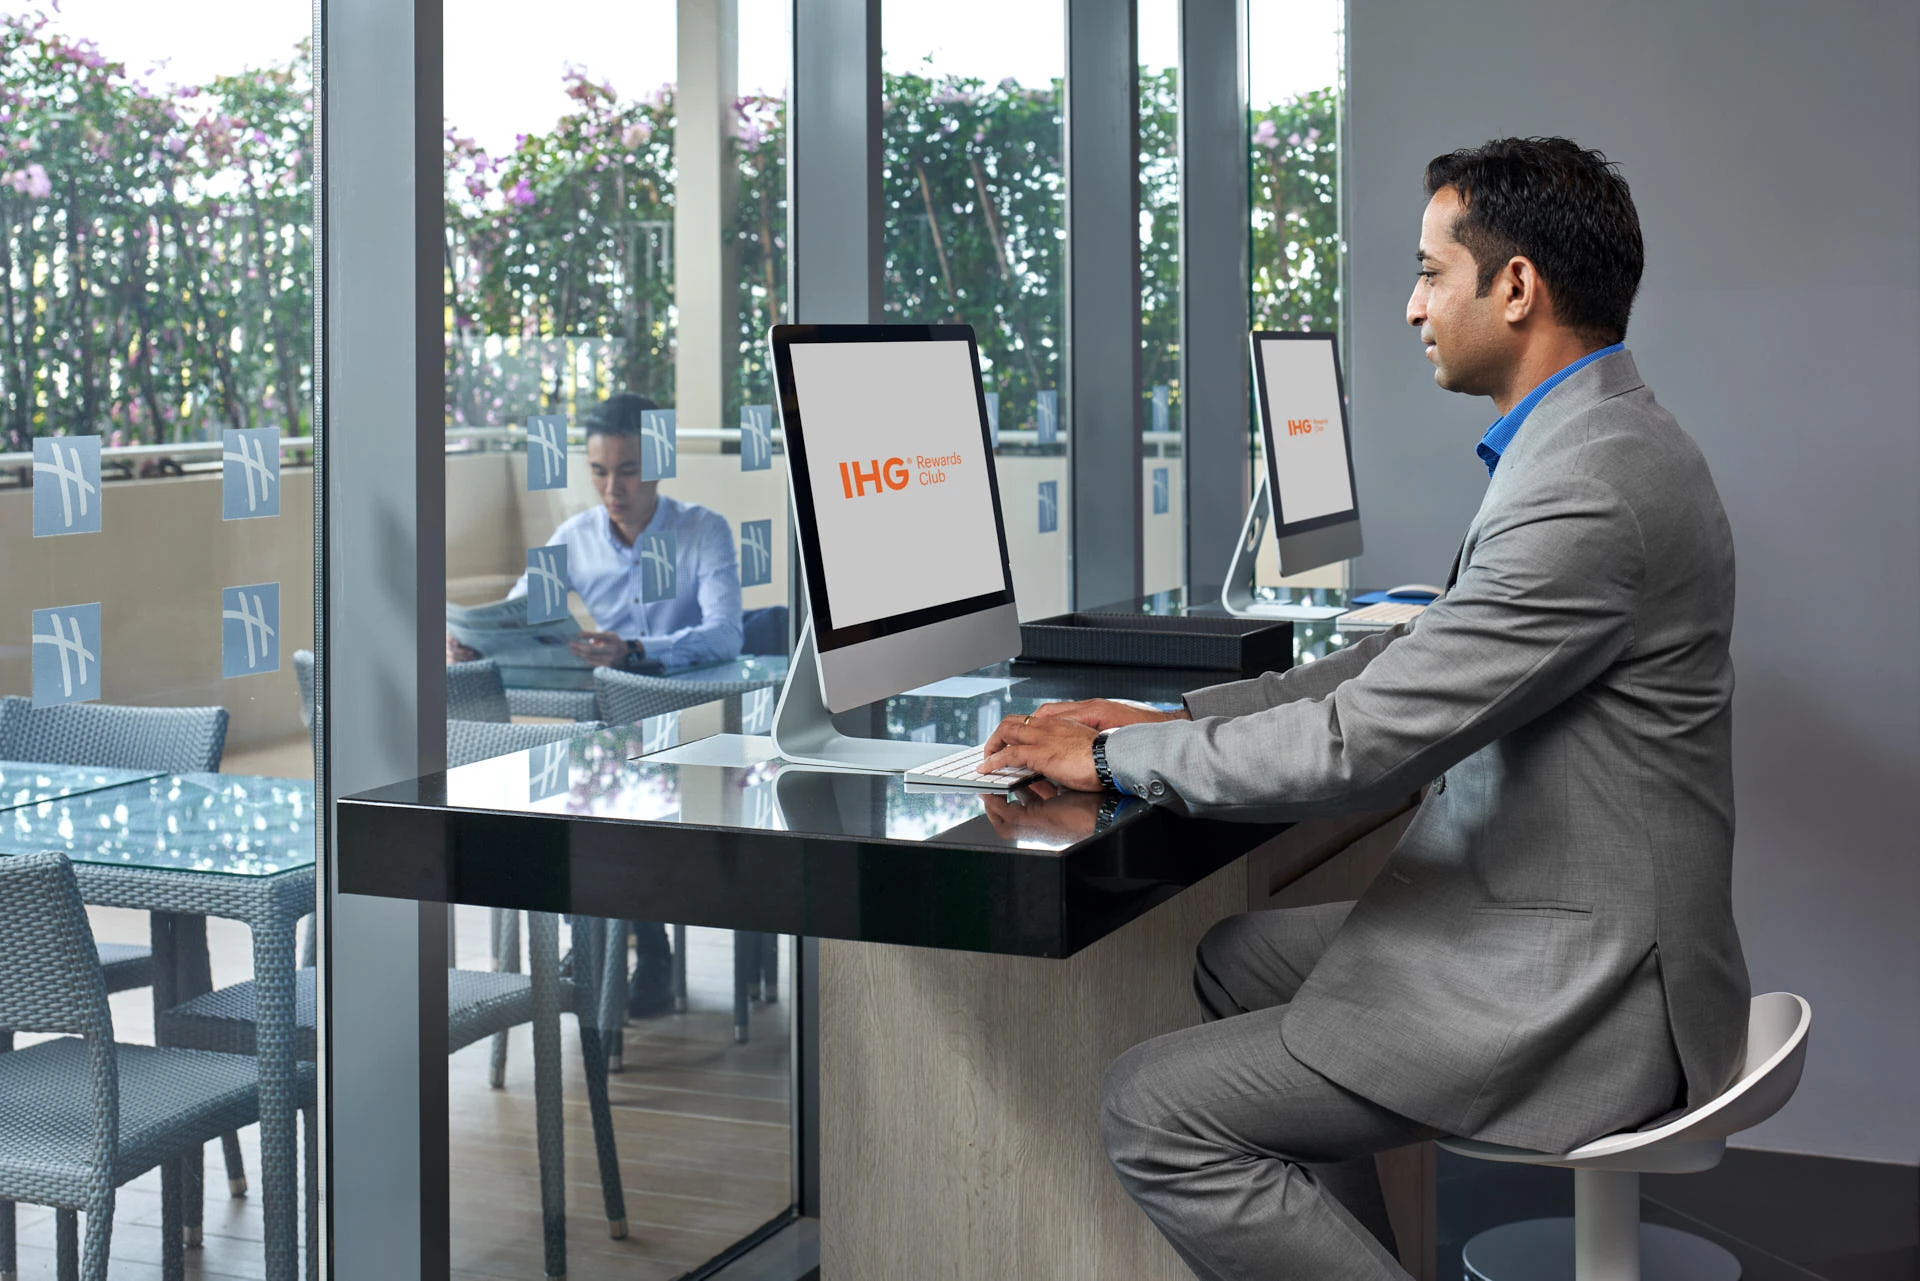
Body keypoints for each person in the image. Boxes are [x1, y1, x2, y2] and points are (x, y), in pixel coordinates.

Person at [981, 137, 1748, 1279]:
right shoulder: (1591, 445)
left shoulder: (1591, 487)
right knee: (1238, 957)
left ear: (1519, 287)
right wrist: (1164, 720)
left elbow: (1364, 746)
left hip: (1592, 988)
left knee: (1155, 1109)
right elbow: (1386, 675)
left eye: (1432, 273)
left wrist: (1127, 762)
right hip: (1563, 921)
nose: (1410, 307)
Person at [455, 391, 745, 1016]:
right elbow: (518, 614)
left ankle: (623, 947)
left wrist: (636, 649)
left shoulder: (703, 531)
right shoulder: (574, 538)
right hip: (612, 729)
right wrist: (476, 645)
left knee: (605, 802)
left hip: (696, 727)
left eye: (629, 470)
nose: (612, 488)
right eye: (598, 470)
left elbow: (727, 634)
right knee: (567, 798)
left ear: (660, 463)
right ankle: (614, 943)